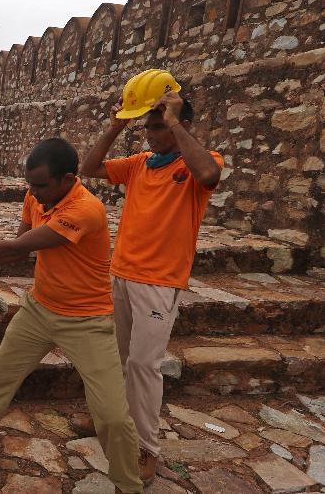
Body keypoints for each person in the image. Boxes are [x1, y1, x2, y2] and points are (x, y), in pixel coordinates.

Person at [0, 138, 143, 494]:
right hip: (39, 308)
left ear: (67, 179)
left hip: (87, 320)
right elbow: (18, 252)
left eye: (41, 185)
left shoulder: (86, 210)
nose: (32, 193)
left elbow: (19, 246)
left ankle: (128, 483)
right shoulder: (37, 195)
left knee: (112, 415)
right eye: (30, 184)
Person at [75, 69, 223, 486]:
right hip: (121, 272)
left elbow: (209, 177)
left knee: (143, 364)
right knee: (115, 357)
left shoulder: (200, 163)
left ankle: (146, 448)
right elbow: (89, 167)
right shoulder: (141, 164)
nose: (150, 135)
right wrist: (116, 124)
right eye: (149, 127)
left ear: (181, 123)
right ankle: (107, 420)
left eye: (157, 127)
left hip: (159, 282)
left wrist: (174, 123)